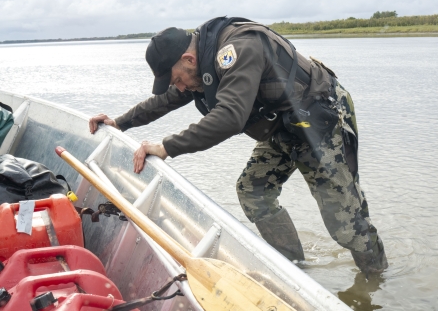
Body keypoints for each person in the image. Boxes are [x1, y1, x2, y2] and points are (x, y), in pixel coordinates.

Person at [89, 17, 388, 275]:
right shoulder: (198, 67)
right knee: (253, 190)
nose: (179, 87)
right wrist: (120, 122)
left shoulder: (239, 49)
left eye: (178, 79)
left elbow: (230, 117)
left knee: (345, 225)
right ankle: (296, 268)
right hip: (285, 126)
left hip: (322, 120)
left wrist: (166, 147)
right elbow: (166, 100)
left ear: (189, 60)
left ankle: (377, 278)